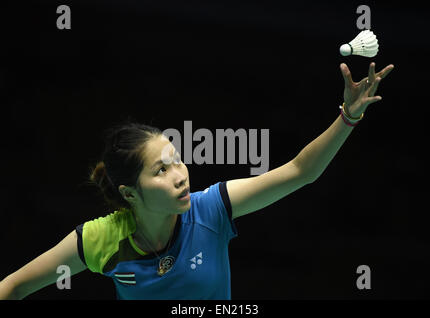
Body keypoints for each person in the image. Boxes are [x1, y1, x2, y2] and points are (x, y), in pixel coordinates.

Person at [0, 62, 394, 300]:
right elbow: (13, 287)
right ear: (129, 193)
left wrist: (349, 117)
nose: (180, 175)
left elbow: (299, 171)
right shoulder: (102, 240)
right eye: (161, 170)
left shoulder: (211, 209)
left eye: (177, 160)